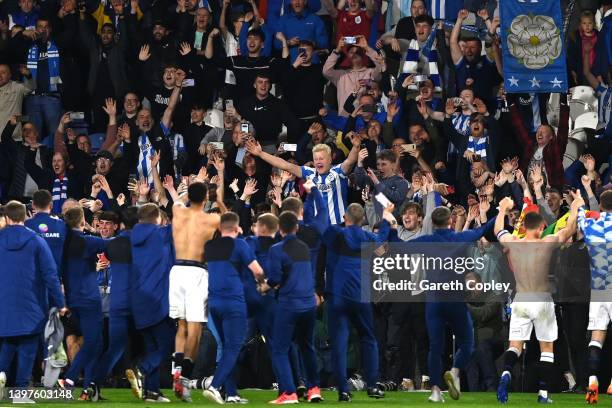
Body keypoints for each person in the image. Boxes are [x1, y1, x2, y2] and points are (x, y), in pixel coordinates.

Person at [494, 194, 583, 404]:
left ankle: (506, 373)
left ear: (524, 226)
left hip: (521, 299)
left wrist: (503, 208)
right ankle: (543, 394)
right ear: (541, 226)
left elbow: (498, 230)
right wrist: (576, 205)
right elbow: (569, 229)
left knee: (515, 346)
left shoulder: (513, 242)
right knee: (547, 348)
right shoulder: (547, 242)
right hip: (542, 299)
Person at [410, 205, 496, 403]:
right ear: (450, 221)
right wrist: (501, 210)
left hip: (433, 301)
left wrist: (389, 222)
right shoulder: (459, 238)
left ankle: (435, 392)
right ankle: (455, 371)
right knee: (468, 342)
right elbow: (483, 229)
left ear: (432, 223)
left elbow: (397, 245)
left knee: (435, 348)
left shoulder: (426, 241)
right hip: (455, 300)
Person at [319, 202, 396, 401]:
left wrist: (316, 196)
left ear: (345, 218)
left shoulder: (335, 234)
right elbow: (382, 241)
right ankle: (372, 386)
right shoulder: (367, 237)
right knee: (369, 339)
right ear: (363, 220)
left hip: (336, 296)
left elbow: (320, 224)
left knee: (340, 343)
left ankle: (343, 390)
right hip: (360, 297)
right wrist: (386, 217)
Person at [0, 201, 67, 399]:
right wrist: (60, 302)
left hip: (4, 305)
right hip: (31, 305)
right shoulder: (36, 240)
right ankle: (20, 392)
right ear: (25, 217)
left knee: (8, 345)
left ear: (7, 217)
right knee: (28, 349)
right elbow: (50, 275)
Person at [202, 212, 265, 404]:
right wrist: (265, 284)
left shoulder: (209, 246)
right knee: (234, 347)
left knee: (227, 347)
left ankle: (231, 393)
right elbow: (257, 271)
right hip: (233, 303)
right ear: (237, 228)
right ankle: (215, 386)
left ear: (220, 228)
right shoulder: (240, 244)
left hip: (214, 304)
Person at [261, 211, 321, 404]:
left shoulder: (277, 249)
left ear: (280, 229)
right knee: (307, 347)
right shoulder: (304, 247)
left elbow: (276, 278)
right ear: (296, 227)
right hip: (308, 305)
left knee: (279, 349)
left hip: (289, 305)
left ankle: (289, 392)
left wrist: (264, 287)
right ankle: (314, 389)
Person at [170, 182, 221, 402]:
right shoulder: (211, 219)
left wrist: (182, 190)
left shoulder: (177, 212)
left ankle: (175, 372)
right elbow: (230, 221)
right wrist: (218, 198)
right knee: (195, 328)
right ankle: (185, 376)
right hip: (197, 272)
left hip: (176, 270)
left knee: (180, 325)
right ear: (207, 197)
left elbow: (178, 199)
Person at [246, 136, 360, 225]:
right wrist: (261, 154)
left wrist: (355, 147)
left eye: (321, 158)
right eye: (316, 159)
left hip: (339, 225)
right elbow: (285, 165)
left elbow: (350, 161)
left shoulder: (338, 171)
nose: (318, 161)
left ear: (330, 159)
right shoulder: (309, 173)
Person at [57, 206, 109, 401]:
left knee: (95, 343)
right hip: (88, 299)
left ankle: (89, 389)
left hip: (72, 300)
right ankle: (69, 378)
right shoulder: (86, 241)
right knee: (94, 341)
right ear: (82, 222)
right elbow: (109, 243)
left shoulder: (63, 242)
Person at [88, 207, 139, 401]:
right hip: (101, 303)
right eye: (101, 224)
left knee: (119, 343)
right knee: (107, 344)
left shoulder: (117, 245)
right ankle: (96, 381)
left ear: (117, 226)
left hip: (115, 302)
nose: (104, 227)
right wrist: (94, 268)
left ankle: (123, 376)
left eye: (108, 224)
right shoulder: (97, 245)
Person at [126, 203, 174, 402]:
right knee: (168, 344)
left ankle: (152, 392)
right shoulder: (160, 234)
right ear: (157, 218)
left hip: (137, 301)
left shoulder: (131, 236)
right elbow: (182, 216)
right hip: (157, 300)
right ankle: (142, 369)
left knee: (152, 347)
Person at [579, 190, 612, 404]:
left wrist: (580, 203)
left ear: (600, 206)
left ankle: (592, 381)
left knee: (596, 339)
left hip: (599, 289)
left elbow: (578, 214)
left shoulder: (590, 224)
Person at [24, 189, 68, 271]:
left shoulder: (26, 225)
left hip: (33, 276)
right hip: (55, 275)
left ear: (33, 205)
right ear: (51, 205)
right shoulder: (61, 225)